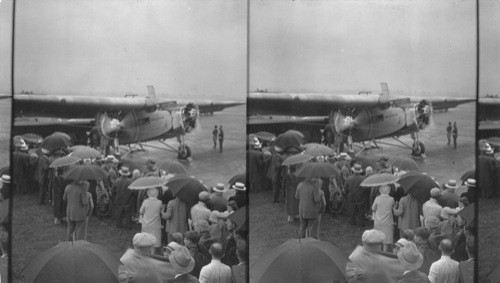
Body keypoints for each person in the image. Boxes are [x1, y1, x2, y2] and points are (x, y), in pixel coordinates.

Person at [140, 187, 163, 254]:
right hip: (155, 224)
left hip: (146, 224)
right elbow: (161, 210)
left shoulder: (145, 201)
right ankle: (152, 253)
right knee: (154, 239)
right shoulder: (159, 202)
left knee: (145, 238)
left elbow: (141, 211)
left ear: (148, 193)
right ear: (157, 193)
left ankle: (145, 252)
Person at [372, 185, 395, 252]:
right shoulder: (391, 199)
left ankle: (379, 251)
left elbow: (373, 208)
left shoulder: (377, 198)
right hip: (388, 222)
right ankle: (384, 252)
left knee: (378, 237)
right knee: (386, 238)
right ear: (389, 191)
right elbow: (393, 206)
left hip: (378, 221)